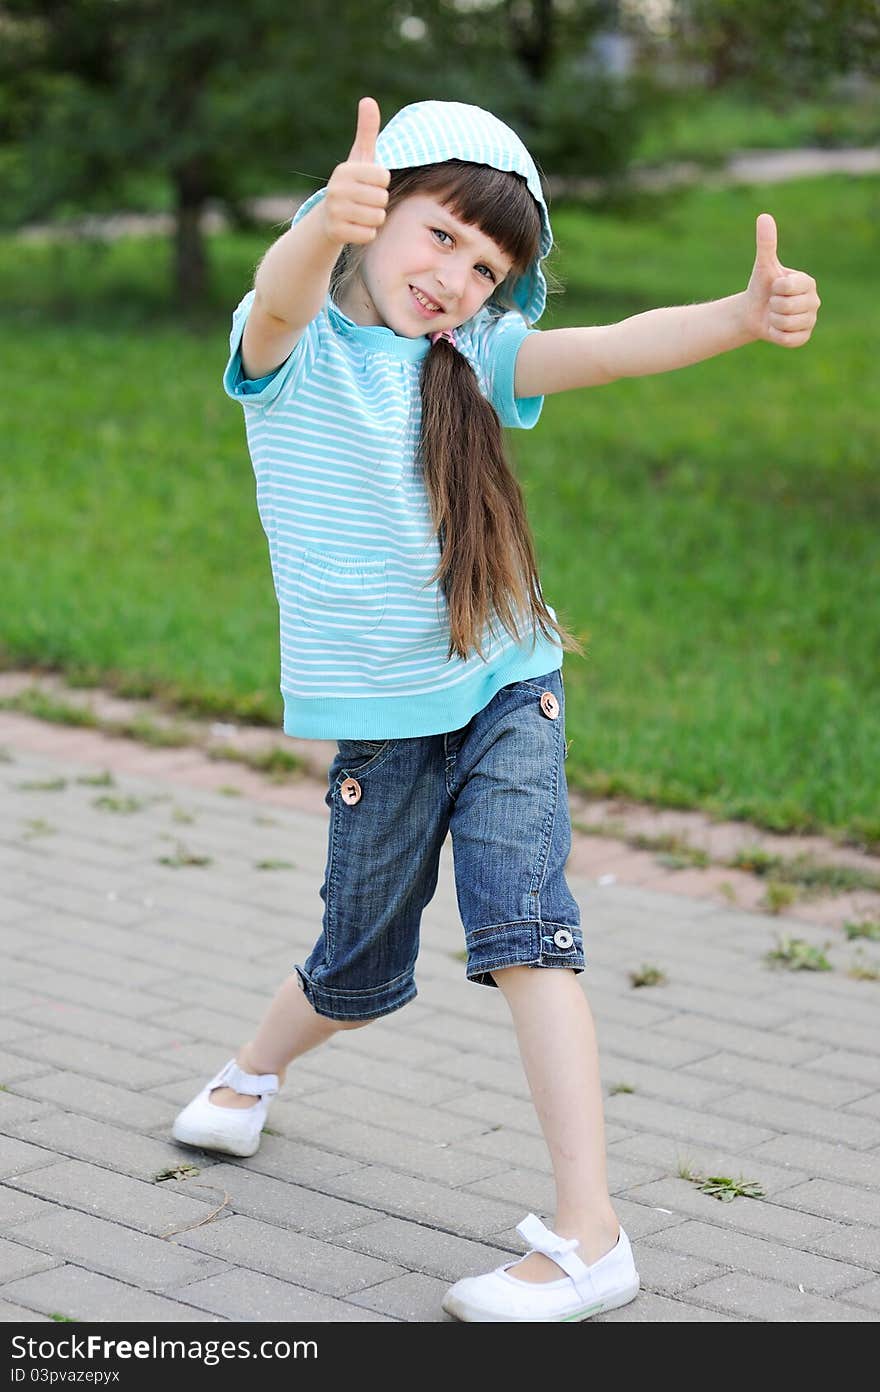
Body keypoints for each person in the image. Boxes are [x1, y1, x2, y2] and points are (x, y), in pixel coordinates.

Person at [172, 96, 820, 1322]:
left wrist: (739, 319)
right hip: (388, 720)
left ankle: (591, 1236)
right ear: (372, 215)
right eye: (438, 239)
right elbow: (276, 296)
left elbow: (620, 345)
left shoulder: (471, 362)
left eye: (489, 267)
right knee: (356, 958)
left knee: (525, 927)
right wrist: (324, 223)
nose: (458, 280)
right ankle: (253, 1073)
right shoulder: (293, 351)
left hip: (509, 684)